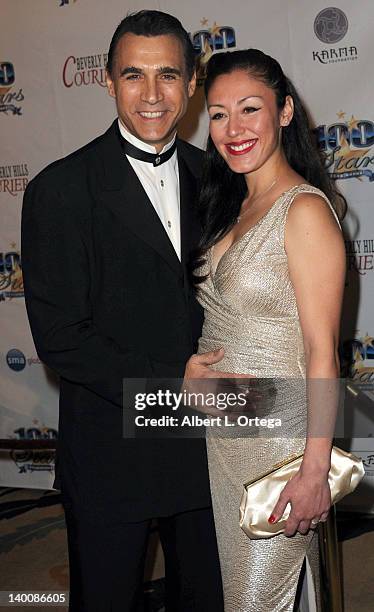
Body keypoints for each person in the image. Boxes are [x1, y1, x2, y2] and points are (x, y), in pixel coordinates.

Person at [21, 10, 224, 612]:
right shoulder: (61, 189)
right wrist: (169, 382)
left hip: (204, 448)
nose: (152, 94)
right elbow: (59, 337)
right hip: (112, 449)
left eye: (168, 75)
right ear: (108, 82)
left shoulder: (219, 178)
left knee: (210, 599)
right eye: (134, 75)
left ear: (192, 84)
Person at [184, 49, 346, 610]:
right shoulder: (231, 203)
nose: (233, 129)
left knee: (261, 600)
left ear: (284, 112)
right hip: (226, 439)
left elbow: (323, 354)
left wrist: (314, 470)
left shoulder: (303, 211)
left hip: (281, 449)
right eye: (220, 114)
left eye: (250, 109)